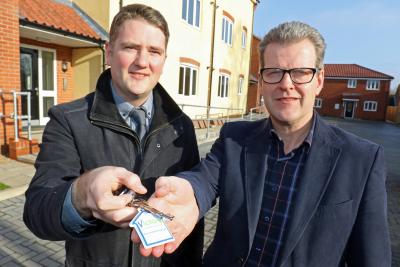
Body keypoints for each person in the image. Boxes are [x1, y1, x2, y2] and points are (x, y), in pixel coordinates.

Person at [138, 21, 391, 266]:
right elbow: (205, 179)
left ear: (319, 80)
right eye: (274, 72)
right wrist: (189, 193)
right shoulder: (234, 138)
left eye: (300, 72)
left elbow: (372, 258)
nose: (286, 84)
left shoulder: (362, 159)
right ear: (261, 81)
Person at [23, 4, 203, 267]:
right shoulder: (67, 120)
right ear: (109, 52)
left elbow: (192, 217)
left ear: (163, 61)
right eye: (131, 47)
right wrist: (81, 194)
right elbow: (37, 212)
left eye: (154, 51)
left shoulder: (182, 126)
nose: (142, 61)